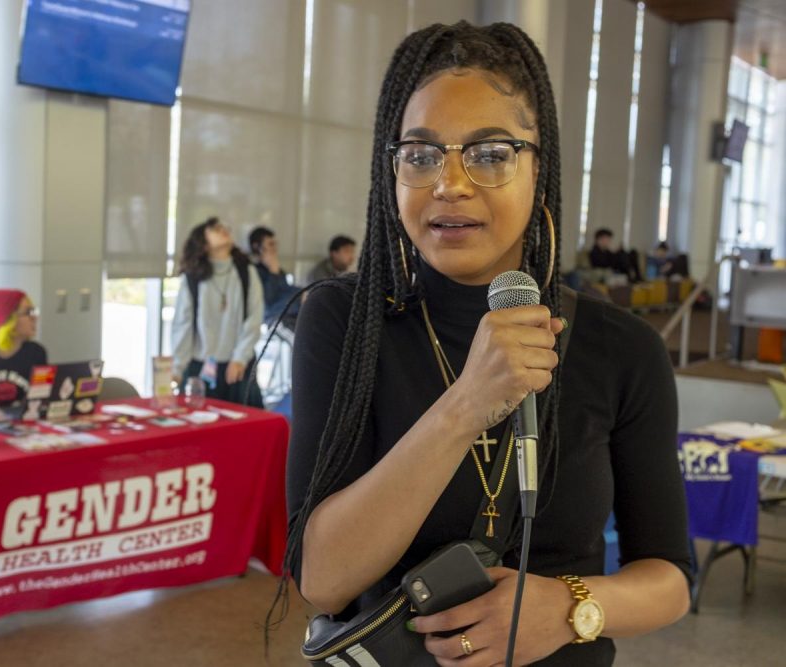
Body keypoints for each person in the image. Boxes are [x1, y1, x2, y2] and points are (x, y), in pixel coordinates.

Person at [281, 22, 690, 666]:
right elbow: (323, 578)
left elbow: (669, 577)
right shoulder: (346, 323)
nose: (450, 183)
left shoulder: (622, 347)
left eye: (491, 153)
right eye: (420, 154)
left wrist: (568, 608)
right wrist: (468, 401)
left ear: (540, 167)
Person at [172, 217, 264, 407]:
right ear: (203, 244)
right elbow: (183, 325)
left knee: (243, 431)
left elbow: (254, 318)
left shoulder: (246, 271)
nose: (224, 230)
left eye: (225, 227)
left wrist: (240, 358)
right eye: (215, 229)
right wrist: (177, 368)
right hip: (200, 368)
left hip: (238, 366)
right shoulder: (192, 278)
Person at [249, 226, 303, 329]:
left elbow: (285, 290)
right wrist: (273, 272)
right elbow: (267, 304)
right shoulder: (253, 272)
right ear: (257, 247)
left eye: (275, 244)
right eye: (270, 244)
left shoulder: (277, 269)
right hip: (270, 324)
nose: (275, 248)